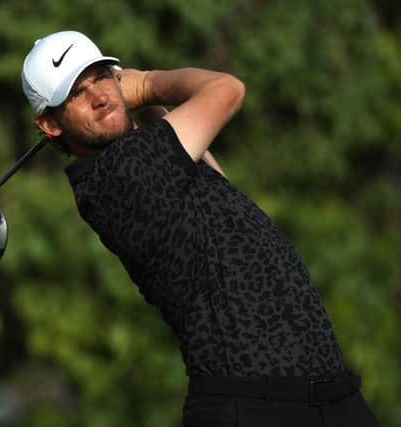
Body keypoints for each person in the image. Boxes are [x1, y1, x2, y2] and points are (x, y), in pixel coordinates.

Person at [21, 30, 379, 427]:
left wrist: (146, 105)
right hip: (254, 405)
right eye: (75, 94)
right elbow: (227, 89)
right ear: (50, 124)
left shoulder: (154, 161)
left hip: (327, 399)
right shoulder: (119, 175)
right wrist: (149, 83)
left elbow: (222, 189)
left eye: (101, 77)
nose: (100, 97)